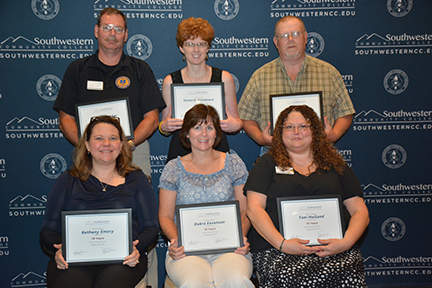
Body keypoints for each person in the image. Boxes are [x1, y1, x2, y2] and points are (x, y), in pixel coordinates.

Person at [244, 105, 369, 287]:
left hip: (333, 248)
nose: (296, 132)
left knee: (348, 268)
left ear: (315, 131)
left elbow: (360, 211)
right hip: (277, 249)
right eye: (289, 127)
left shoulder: (334, 164)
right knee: (292, 275)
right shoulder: (266, 164)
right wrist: (283, 244)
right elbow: (254, 209)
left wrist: (346, 242)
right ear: (280, 132)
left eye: (303, 126)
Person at [40, 115, 159, 288]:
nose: (106, 144)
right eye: (99, 138)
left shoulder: (137, 179)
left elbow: (151, 227)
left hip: (123, 260)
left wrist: (136, 249)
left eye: (113, 138)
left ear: (121, 145)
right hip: (74, 259)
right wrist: (58, 249)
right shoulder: (67, 180)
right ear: (87, 145)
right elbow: (48, 230)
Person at [53, 7, 166, 177]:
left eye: (118, 29)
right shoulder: (77, 70)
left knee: (138, 202)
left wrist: (127, 145)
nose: (112, 33)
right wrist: (89, 147)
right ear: (96, 31)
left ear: (126, 35)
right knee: (90, 201)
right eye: (106, 27)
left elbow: (152, 118)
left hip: (133, 152)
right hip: (89, 155)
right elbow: (65, 119)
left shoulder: (140, 69)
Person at [158, 104, 254, 288]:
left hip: (230, 246)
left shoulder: (234, 163)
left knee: (236, 279)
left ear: (217, 133)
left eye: (209, 127)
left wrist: (240, 237)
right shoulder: (172, 168)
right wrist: (176, 241)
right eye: (197, 127)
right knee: (194, 283)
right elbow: (165, 216)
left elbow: (245, 210)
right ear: (186, 133)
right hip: (187, 249)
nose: (204, 134)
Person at [238, 16, 355, 156]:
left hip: (319, 155)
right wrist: (260, 138)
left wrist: (334, 135)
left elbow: (346, 112)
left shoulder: (329, 73)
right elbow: (246, 116)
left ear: (305, 37)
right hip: (275, 155)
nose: (290, 40)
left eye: (296, 34)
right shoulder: (260, 76)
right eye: (284, 36)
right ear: (276, 42)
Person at [159, 17, 242, 162]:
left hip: (216, 149)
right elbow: (164, 126)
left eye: (201, 44)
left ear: (208, 47)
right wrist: (164, 126)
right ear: (181, 48)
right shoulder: (170, 81)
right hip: (182, 150)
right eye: (190, 44)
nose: (196, 50)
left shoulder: (224, 78)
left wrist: (235, 125)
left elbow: (237, 122)